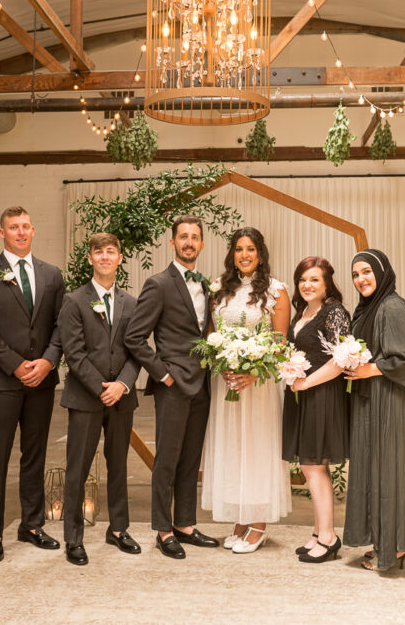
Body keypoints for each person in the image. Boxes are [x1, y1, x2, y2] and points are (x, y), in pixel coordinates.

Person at [0, 206, 65, 563]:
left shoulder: (52, 274)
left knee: (35, 455)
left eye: (25, 227)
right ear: (2, 233)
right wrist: (15, 365)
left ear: (33, 230)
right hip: (2, 381)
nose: (21, 232)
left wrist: (47, 361)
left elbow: (61, 325)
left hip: (41, 379)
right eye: (14, 227)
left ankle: (32, 524)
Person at [125, 215, 220, 559]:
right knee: (166, 459)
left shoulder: (208, 286)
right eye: (183, 237)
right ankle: (163, 530)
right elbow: (134, 337)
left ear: (202, 244)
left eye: (195, 237)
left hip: (202, 384)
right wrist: (162, 374)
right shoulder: (159, 283)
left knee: (190, 458)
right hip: (172, 385)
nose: (189, 242)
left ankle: (186, 525)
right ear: (172, 243)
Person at [201, 228, 292, 554]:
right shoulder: (219, 290)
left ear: (260, 253)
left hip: (260, 386)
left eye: (250, 249)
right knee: (233, 447)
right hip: (227, 383)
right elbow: (211, 336)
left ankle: (259, 523)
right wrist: (223, 364)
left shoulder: (276, 291)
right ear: (232, 254)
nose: (244, 255)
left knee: (257, 448)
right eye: (238, 249)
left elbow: (280, 344)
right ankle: (241, 518)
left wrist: (253, 374)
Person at [58, 233, 142, 566]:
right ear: (90, 259)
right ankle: (73, 537)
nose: (105, 257)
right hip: (85, 397)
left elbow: (138, 351)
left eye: (111, 251)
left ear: (119, 258)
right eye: (98, 252)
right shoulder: (74, 301)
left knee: (119, 465)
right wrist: (101, 387)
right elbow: (74, 354)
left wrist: (121, 385)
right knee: (77, 468)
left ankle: (118, 529)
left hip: (122, 398)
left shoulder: (132, 304)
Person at [342, 249, 405, 571]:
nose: (360, 279)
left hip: (390, 402)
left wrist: (371, 369)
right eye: (355, 274)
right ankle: (381, 541)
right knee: (373, 471)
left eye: (366, 272)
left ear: (381, 272)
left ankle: (394, 548)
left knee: (389, 471)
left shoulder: (392, 306)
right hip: (369, 400)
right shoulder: (367, 309)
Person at [284, 256, 351, 563]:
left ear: (326, 284)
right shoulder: (303, 311)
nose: (307, 285)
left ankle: (328, 537)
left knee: (314, 466)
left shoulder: (334, 312)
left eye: (314, 280)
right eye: (302, 280)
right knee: (311, 467)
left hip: (322, 396)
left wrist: (306, 383)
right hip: (302, 395)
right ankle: (318, 532)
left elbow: (341, 361)